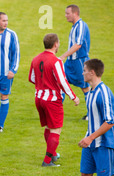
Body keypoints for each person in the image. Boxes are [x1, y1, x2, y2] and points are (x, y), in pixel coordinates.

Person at [67, 59, 114, 176]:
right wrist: (88, 137)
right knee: (85, 174)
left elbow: (110, 120)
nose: (82, 72)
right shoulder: (90, 91)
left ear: (92, 73)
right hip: (91, 141)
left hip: (103, 142)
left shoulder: (103, 92)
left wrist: (90, 137)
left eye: (84, 70)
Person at [29, 33, 79, 167]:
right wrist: (74, 97)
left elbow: (32, 78)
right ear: (56, 44)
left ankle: (53, 154)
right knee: (56, 129)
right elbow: (62, 82)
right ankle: (47, 161)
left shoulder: (35, 59)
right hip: (52, 100)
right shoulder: (56, 61)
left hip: (39, 98)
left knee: (48, 127)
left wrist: (42, 84)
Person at [59, 4, 91, 120]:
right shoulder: (74, 26)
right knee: (60, 81)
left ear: (75, 13)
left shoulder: (81, 26)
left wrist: (63, 56)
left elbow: (78, 44)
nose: (66, 16)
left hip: (79, 62)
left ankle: (91, 114)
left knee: (85, 88)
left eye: (68, 13)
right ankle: (57, 112)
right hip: (70, 61)